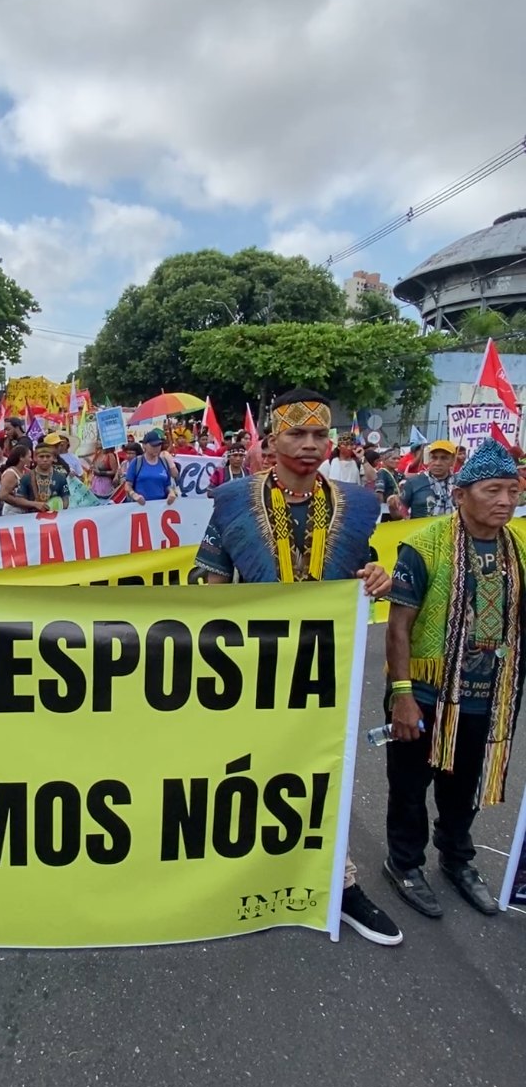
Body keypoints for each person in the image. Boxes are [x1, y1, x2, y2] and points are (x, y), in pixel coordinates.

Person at [194, 387, 401, 947]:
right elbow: (207, 586)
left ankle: (340, 882)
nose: (309, 446)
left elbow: (365, 569)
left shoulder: (359, 504)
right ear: (271, 438)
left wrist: (377, 576)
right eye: (296, 434)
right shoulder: (233, 500)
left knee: (321, 773)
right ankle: (228, 877)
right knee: (238, 773)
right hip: (247, 670)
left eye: (319, 435)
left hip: (323, 670)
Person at [383, 438, 526, 919]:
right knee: (409, 786)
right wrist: (402, 696)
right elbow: (399, 625)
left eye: (512, 489)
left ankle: (457, 859)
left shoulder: (520, 547)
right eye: (492, 490)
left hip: (487, 694)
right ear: (462, 494)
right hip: (425, 693)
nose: (505, 500)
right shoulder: (424, 545)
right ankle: (404, 863)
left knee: (462, 786)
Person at [396, 440, 455, 520]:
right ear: (428, 458)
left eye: (444, 458)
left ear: (453, 460)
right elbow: (400, 513)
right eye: (434, 458)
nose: (437, 463)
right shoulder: (413, 482)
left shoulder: (461, 483)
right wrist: (393, 507)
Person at [123, 429, 179, 505]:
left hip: (161, 506)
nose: (157, 448)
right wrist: (134, 495)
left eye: (159, 445)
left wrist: (171, 493)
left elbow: (167, 485)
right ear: (144, 445)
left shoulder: (164, 462)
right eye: (153, 445)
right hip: (141, 507)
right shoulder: (137, 462)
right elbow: (128, 485)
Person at [18, 443, 70, 511]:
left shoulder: (61, 477)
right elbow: (19, 499)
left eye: (48, 456)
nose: (45, 460)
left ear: (53, 458)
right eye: (41, 457)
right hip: (32, 518)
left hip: (54, 518)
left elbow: (65, 498)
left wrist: (60, 511)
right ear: (35, 458)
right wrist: (34, 504)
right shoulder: (27, 477)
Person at [0, 445, 32, 514]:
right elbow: (3, 495)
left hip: (24, 511)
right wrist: (21, 503)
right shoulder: (10, 473)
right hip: (12, 512)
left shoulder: (27, 471)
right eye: (29, 457)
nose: (31, 460)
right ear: (21, 458)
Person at [374, 447, 402, 520]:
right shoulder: (381, 473)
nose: (397, 461)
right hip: (386, 511)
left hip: (397, 510)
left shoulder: (397, 474)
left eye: (398, 458)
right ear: (384, 460)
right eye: (393, 458)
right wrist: (382, 509)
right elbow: (379, 493)